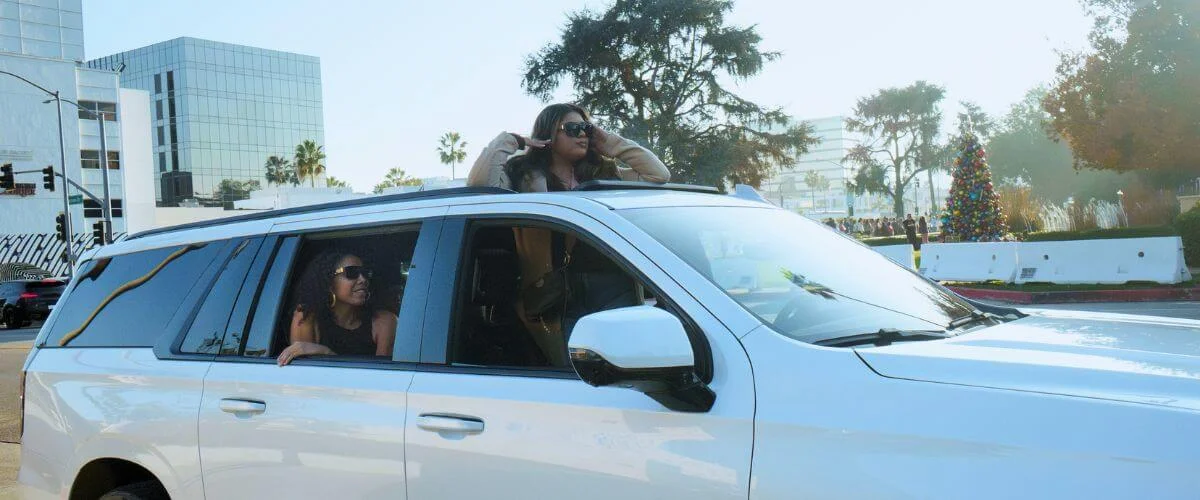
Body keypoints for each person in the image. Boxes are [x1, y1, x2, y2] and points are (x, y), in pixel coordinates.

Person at [467, 103, 669, 364]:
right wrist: (514, 141)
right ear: (549, 133)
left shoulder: (606, 173)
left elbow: (658, 175)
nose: (583, 134)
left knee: (624, 364)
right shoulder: (522, 177)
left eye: (587, 128)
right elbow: (479, 183)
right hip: (555, 290)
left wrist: (609, 142)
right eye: (573, 128)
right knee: (573, 368)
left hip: (614, 283)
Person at [277, 248, 398, 366]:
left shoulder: (384, 321)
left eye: (365, 273)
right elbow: (304, 375)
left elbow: (382, 376)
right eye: (352, 273)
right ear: (329, 281)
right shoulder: (307, 316)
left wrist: (327, 353)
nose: (363, 279)